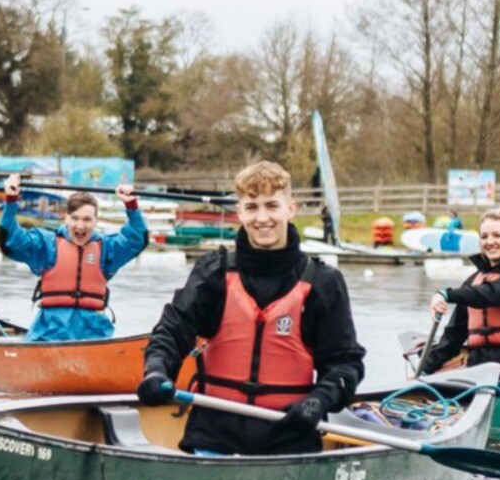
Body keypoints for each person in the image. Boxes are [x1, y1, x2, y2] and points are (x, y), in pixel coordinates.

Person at [138, 161, 366, 456]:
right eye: (252, 207)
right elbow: (171, 332)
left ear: (291, 209)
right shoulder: (214, 273)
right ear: (239, 211)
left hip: (289, 440)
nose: (262, 218)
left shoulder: (324, 283)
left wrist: (318, 400)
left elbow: (346, 364)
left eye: (272, 206)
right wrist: (156, 371)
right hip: (213, 438)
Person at [0, 173, 148, 342]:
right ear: (65, 217)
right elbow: (11, 241)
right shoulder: (47, 245)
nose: (80, 226)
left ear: (96, 221)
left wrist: (131, 205)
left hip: (94, 335)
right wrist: (11, 200)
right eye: (75, 218)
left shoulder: (107, 249)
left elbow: (137, 239)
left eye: (87, 220)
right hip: (48, 335)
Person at [419, 207, 500, 380]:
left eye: (497, 235)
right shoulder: (473, 282)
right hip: (478, 372)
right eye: (484, 237)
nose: (490, 242)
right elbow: (454, 335)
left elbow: (491, 294)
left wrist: (445, 294)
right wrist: (425, 369)